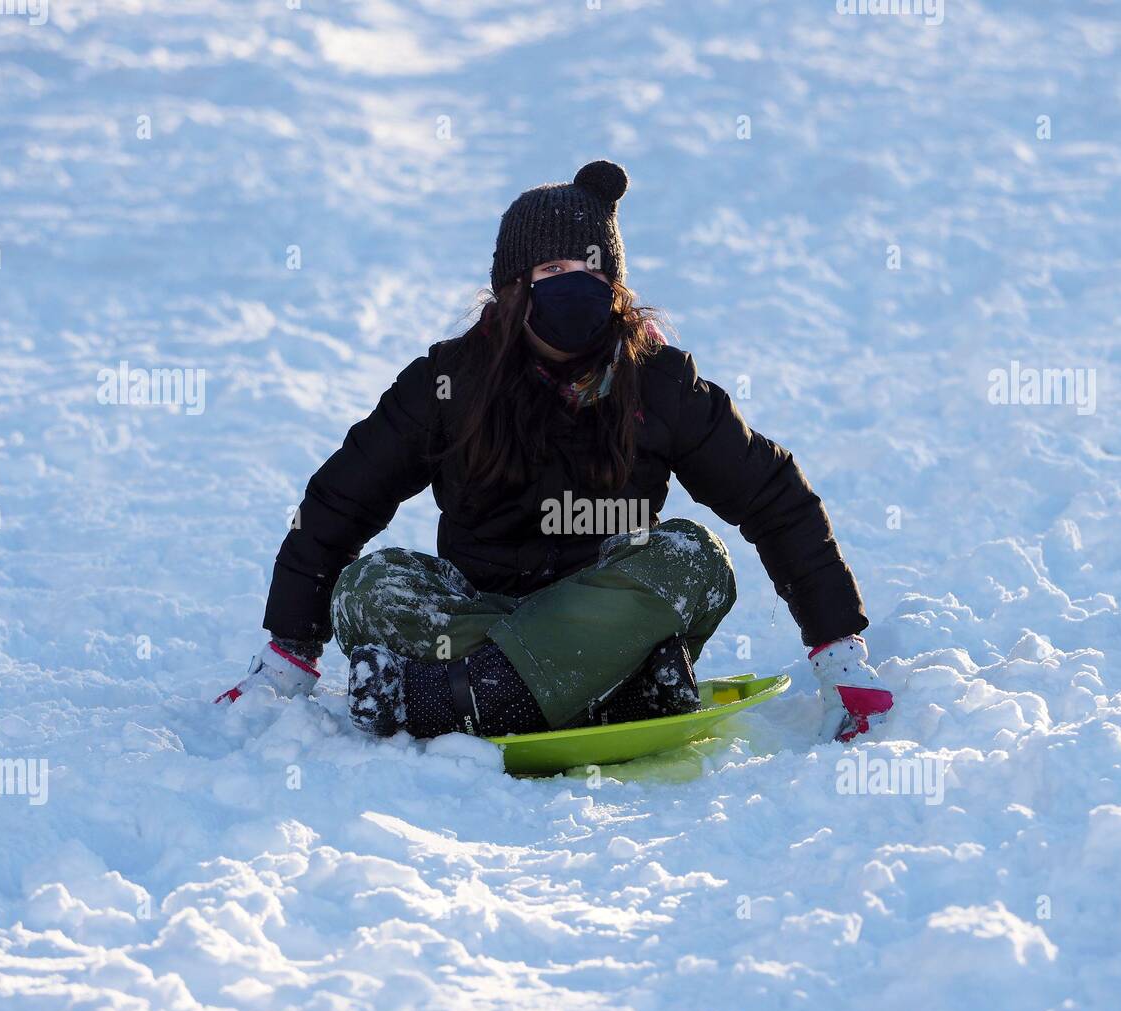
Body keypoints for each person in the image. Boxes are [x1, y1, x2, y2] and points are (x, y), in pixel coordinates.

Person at [217, 160, 894, 743]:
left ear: (616, 284)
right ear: (513, 287)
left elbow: (774, 496)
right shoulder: (451, 382)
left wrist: (838, 651)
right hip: (481, 614)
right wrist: (289, 654)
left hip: (608, 613)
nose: (573, 282)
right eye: (551, 268)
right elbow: (341, 499)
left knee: (695, 560)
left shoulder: (660, 383)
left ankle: (453, 698)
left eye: (589, 268)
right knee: (370, 587)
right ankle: (602, 695)